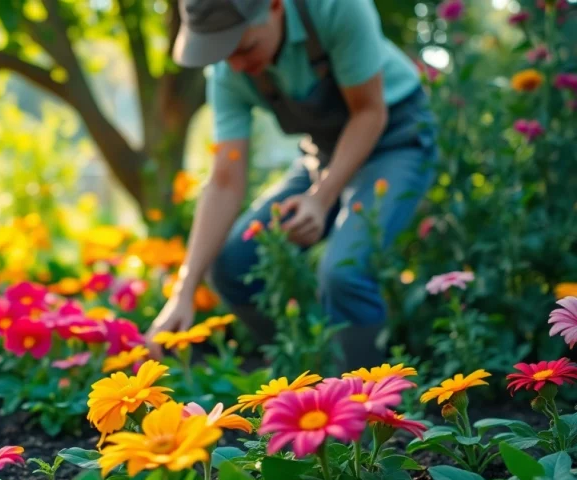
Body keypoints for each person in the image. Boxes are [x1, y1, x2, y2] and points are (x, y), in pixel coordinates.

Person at [147, 0, 438, 370]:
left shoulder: (337, 9)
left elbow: (369, 112)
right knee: (232, 265)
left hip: (397, 136)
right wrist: (184, 290)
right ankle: (311, 376)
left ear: (275, 6)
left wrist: (321, 197)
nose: (235, 65)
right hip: (324, 153)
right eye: (223, 52)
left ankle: (367, 412)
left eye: (245, 47)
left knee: (343, 271)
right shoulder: (227, 71)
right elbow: (224, 179)